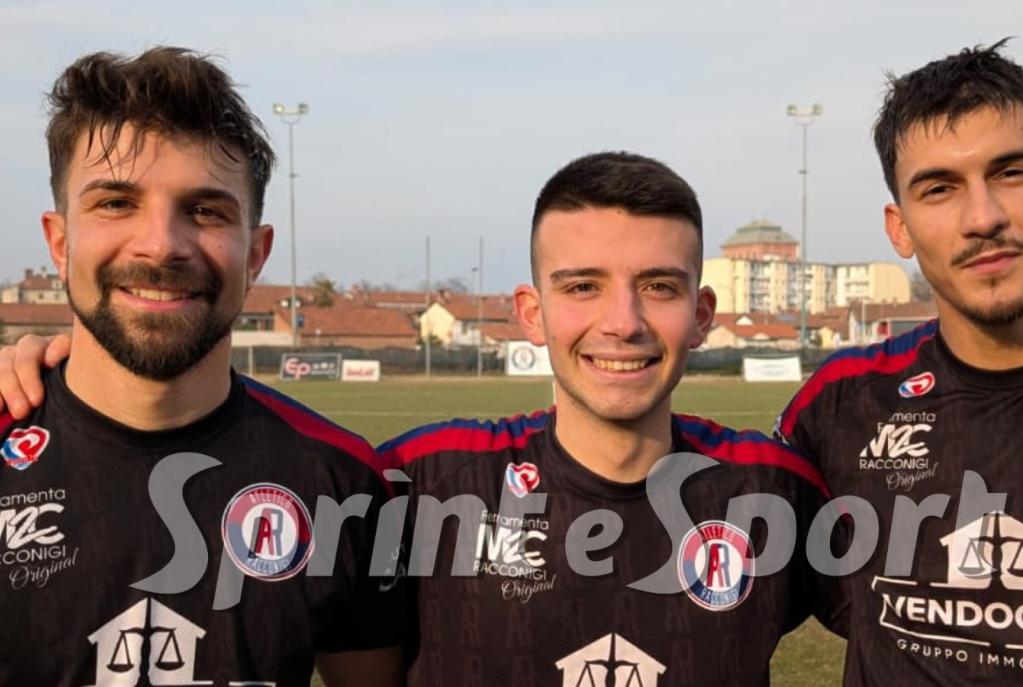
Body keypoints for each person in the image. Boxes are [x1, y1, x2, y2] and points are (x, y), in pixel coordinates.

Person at [0, 151, 834, 685]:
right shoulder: (415, 481)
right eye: (582, 286)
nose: (622, 321)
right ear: (531, 313)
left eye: (659, 285)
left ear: (705, 312)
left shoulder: (778, 490)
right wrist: (60, 355)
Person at [0, 48, 405, 686]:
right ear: (58, 241)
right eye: (115, 203)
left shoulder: (344, 480)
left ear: (256, 253)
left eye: (207, 210)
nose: (161, 244)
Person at [775, 40, 1023, 684]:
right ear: (901, 229)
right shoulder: (839, 405)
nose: (982, 218)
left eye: (1011, 173)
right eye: (939, 188)